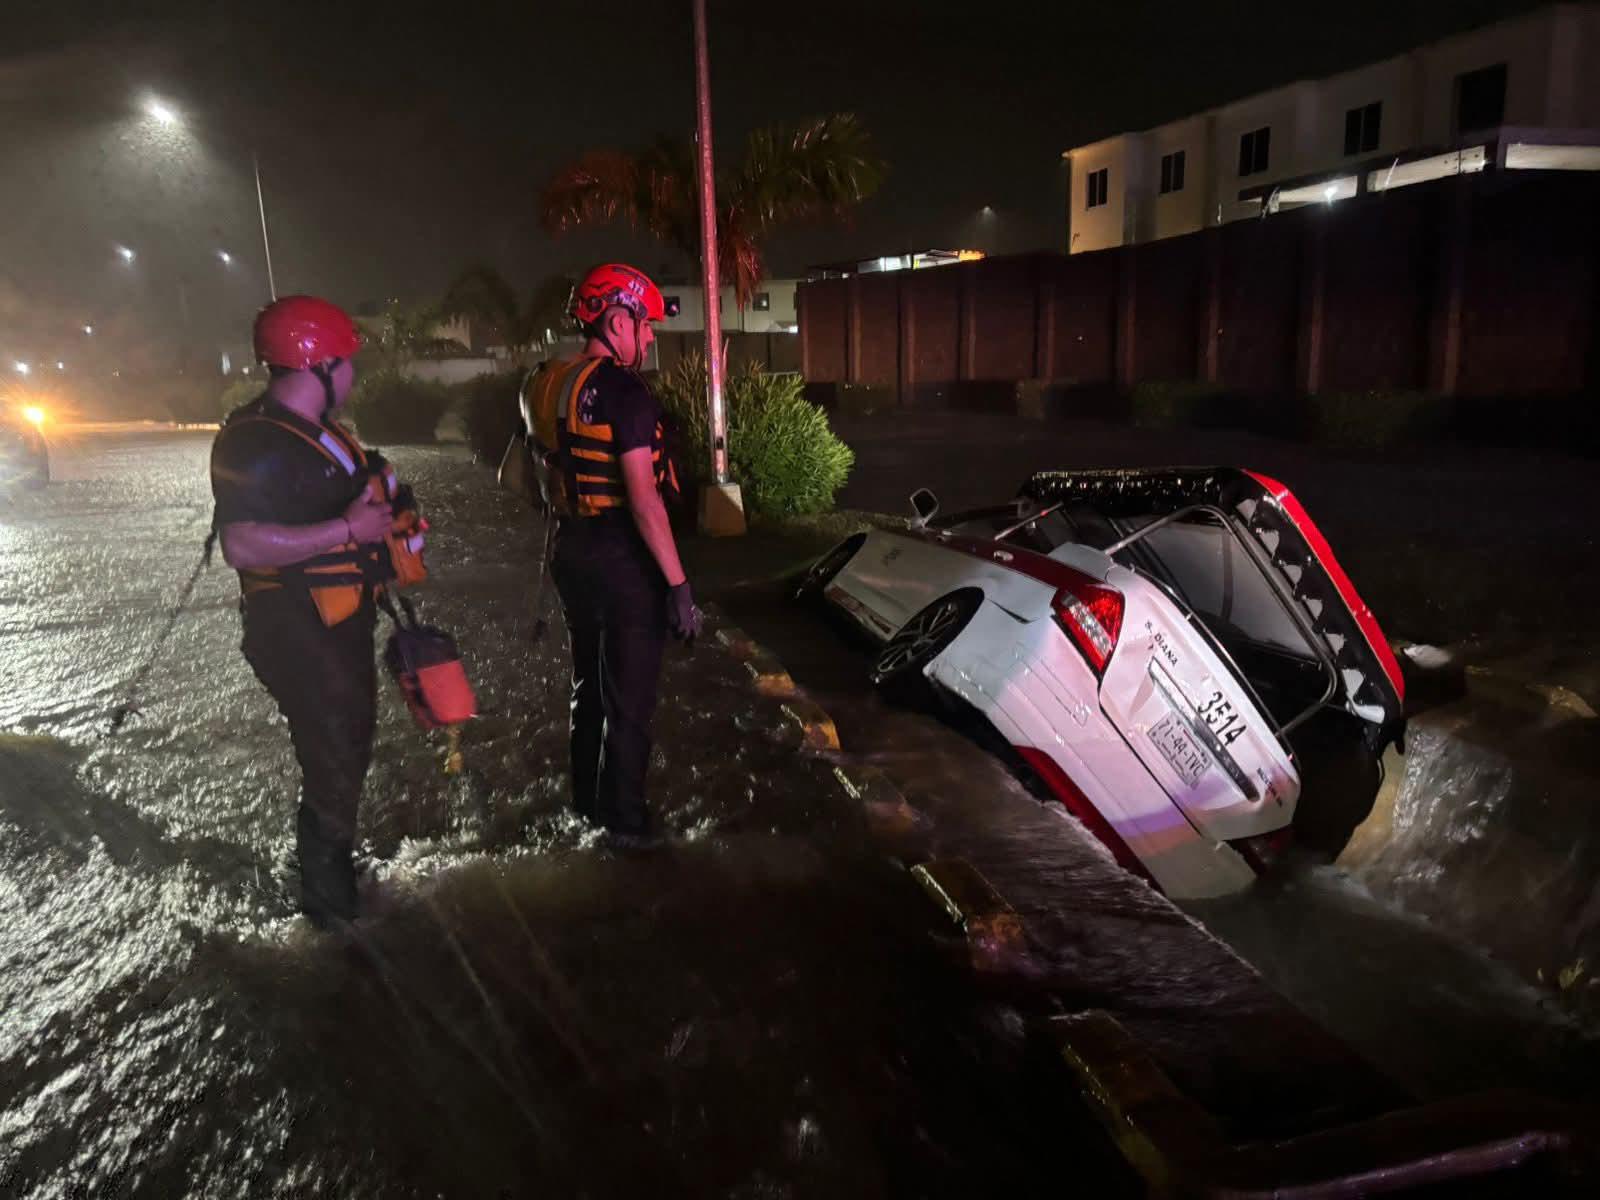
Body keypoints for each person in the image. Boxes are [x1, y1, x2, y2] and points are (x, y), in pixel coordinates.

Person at [209, 295, 403, 927]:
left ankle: (331, 874)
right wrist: (347, 530)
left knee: (346, 748)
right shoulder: (252, 440)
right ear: (319, 364)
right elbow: (242, 544)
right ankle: (330, 911)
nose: (353, 375)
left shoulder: (322, 434)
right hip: (295, 628)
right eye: (347, 363)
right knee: (333, 755)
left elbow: (353, 494)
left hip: (336, 622)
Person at [522, 263, 700, 843]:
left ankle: (586, 807)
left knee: (589, 689)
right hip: (622, 557)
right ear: (617, 321)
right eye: (645, 325)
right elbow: (645, 502)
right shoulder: (625, 392)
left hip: (569, 553)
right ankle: (626, 827)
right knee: (629, 702)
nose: (648, 338)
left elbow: (520, 477)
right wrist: (678, 586)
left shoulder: (543, 383)